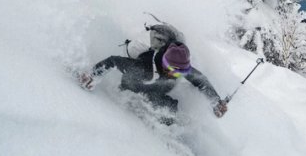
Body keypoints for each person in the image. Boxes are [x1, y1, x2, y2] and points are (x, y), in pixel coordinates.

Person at [79, 40, 228, 119]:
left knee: (170, 109)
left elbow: (200, 80)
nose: (179, 75)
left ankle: (172, 125)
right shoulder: (142, 67)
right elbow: (113, 61)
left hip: (155, 88)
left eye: (182, 72)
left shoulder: (178, 66)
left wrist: (216, 101)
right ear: (166, 66)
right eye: (176, 73)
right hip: (133, 88)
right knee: (159, 106)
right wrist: (92, 75)